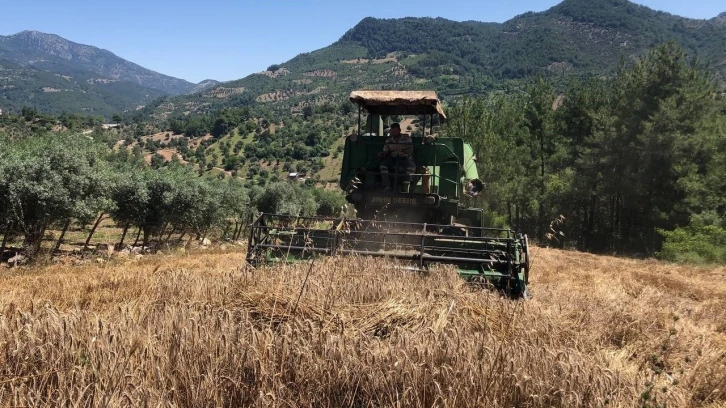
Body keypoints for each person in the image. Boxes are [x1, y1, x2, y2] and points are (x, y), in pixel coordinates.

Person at [377, 123, 415, 192]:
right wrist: (381, 154)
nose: (394, 133)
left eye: (395, 131)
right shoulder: (388, 140)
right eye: (392, 131)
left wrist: (402, 151)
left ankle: (405, 185)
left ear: (399, 130)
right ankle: (387, 185)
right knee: (383, 165)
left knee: (412, 166)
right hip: (393, 159)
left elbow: (410, 150)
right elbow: (385, 152)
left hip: (404, 158)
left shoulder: (406, 138)